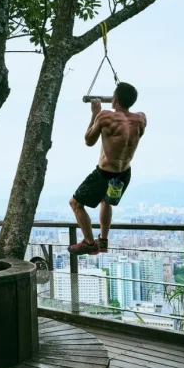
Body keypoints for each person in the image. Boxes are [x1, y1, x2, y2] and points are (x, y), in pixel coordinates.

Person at [68, 82, 147, 255]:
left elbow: (89, 141)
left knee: (75, 203)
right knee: (106, 201)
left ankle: (89, 243)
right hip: (124, 174)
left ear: (115, 99)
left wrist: (94, 115)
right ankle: (103, 241)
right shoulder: (141, 119)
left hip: (104, 174)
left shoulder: (105, 117)